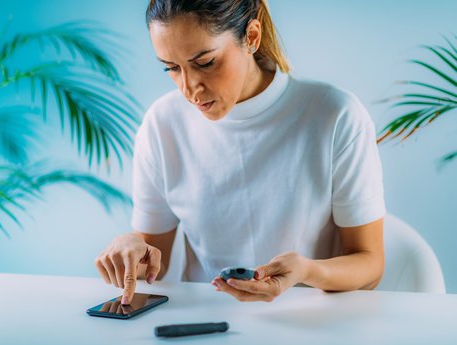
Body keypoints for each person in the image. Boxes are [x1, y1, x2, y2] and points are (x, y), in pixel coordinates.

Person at [95, 0, 386, 305]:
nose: (189, 87)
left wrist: (305, 271)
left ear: (252, 37)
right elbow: (156, 262)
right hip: (201, 324)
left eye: (205, 62)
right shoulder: (162, 124)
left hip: (308, 321)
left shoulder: (334, 116)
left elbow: (370, 265)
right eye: (171, 68)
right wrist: (130, 248)